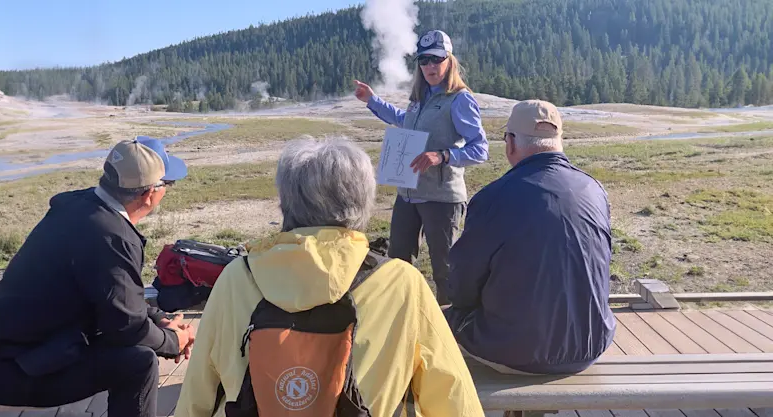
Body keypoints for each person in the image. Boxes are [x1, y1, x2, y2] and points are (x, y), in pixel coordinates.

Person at [174, 137, 484, 417]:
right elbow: (451, 395)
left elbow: (198, 392)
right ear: (362, 201)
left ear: (285, 202)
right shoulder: (401, 282)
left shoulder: (237, 278)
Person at [0, 136, 195, 417]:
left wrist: (158, 319)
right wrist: (174, 340)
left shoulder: (79, 207)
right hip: (11, 369)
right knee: (138, 363)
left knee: (139, 349)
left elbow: (117, 300)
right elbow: (126, 327)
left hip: (0, 349)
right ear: (149, 193)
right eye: (167, 185)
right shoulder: (112, 237)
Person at [444, 100, 616, 375]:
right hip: (591, 346)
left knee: (443, 319)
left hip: (513, 352)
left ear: (510, 143)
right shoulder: (593, 189)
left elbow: (462, 285)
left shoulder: (493, 198)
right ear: (559, 141)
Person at [353, 29, 488, 305]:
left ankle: (451, 331)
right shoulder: (420, 97)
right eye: (424, 61)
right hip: (408, 194)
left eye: (436, 60)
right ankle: (405, 319)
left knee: (445, 270)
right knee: (398, 262)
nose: (429, 67)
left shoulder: (459, 99)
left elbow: (480, 148)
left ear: (449, 61)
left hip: (441, 197)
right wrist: (371, 100)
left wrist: (443, 156)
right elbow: (405, 121)